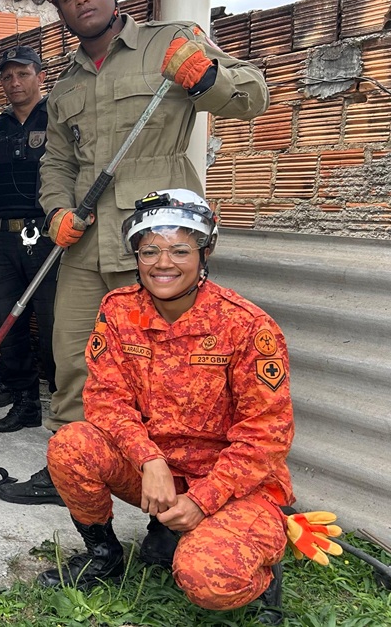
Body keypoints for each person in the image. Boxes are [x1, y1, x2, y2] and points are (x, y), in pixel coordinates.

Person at [2, 0, 270, 505]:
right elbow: (55, 162)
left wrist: (206, 77)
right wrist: (56, 213)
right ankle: (73, 466)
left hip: (159, 241)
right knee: (75, 355)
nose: (82, 0)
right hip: (85, 238)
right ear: (59, 11)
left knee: (166, 366)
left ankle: (176, 477)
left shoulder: (170, 42)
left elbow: (253, 97)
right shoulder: (67, 82)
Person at [40, 190, 292, 625]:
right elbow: (106, 398)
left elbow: (266, 435)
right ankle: (104, 557)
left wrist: (204, 499)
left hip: (231, 484)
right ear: (135, 254)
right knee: (72, 445)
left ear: (205, 251)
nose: (163, 263)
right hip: (157, 474)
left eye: (180, 249)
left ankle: (262, 572)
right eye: (149, 249)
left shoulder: (246, 325)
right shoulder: (118, 311)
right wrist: (148, 457)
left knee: (209, 579)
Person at [0, 46, 57, 433]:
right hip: (4, 241)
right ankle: (25, 402)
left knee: (56, 323)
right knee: (6, 320)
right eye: (7, 77)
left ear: (39, 76)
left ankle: (65, 402)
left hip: (51, 237)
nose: (14, 82)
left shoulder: (58, 120)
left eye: (22, 74)